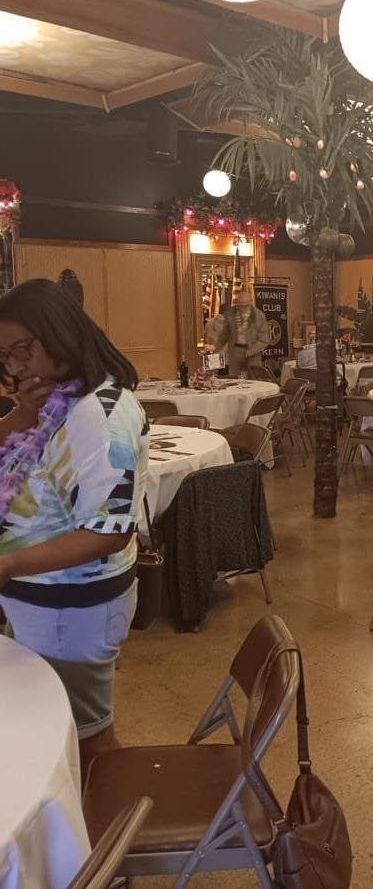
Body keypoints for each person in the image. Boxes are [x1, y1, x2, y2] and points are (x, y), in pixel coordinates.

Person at [0, 278, 148, 773]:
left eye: (24, 350)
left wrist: (10, 563)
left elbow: (110, 530)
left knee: (87, 737)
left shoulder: (98, 415)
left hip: (72, 607)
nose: (16, 367)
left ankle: (107, 836)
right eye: (5, 356)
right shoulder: (53, 401)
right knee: (63, 726)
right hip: (44, 599)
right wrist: (21, 413)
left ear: (61, 333)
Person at [204, 289, 269, 377]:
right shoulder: (230, 313)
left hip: (253, 353)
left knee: (253, 378)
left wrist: (252, 350)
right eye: (240, 306)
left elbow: (264, 339)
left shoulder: (259, 316)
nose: (243, 309)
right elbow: (224, 336)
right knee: (234, 379)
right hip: (235, 352)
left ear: (251, 303)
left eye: (246, 306)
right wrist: (215, 350)